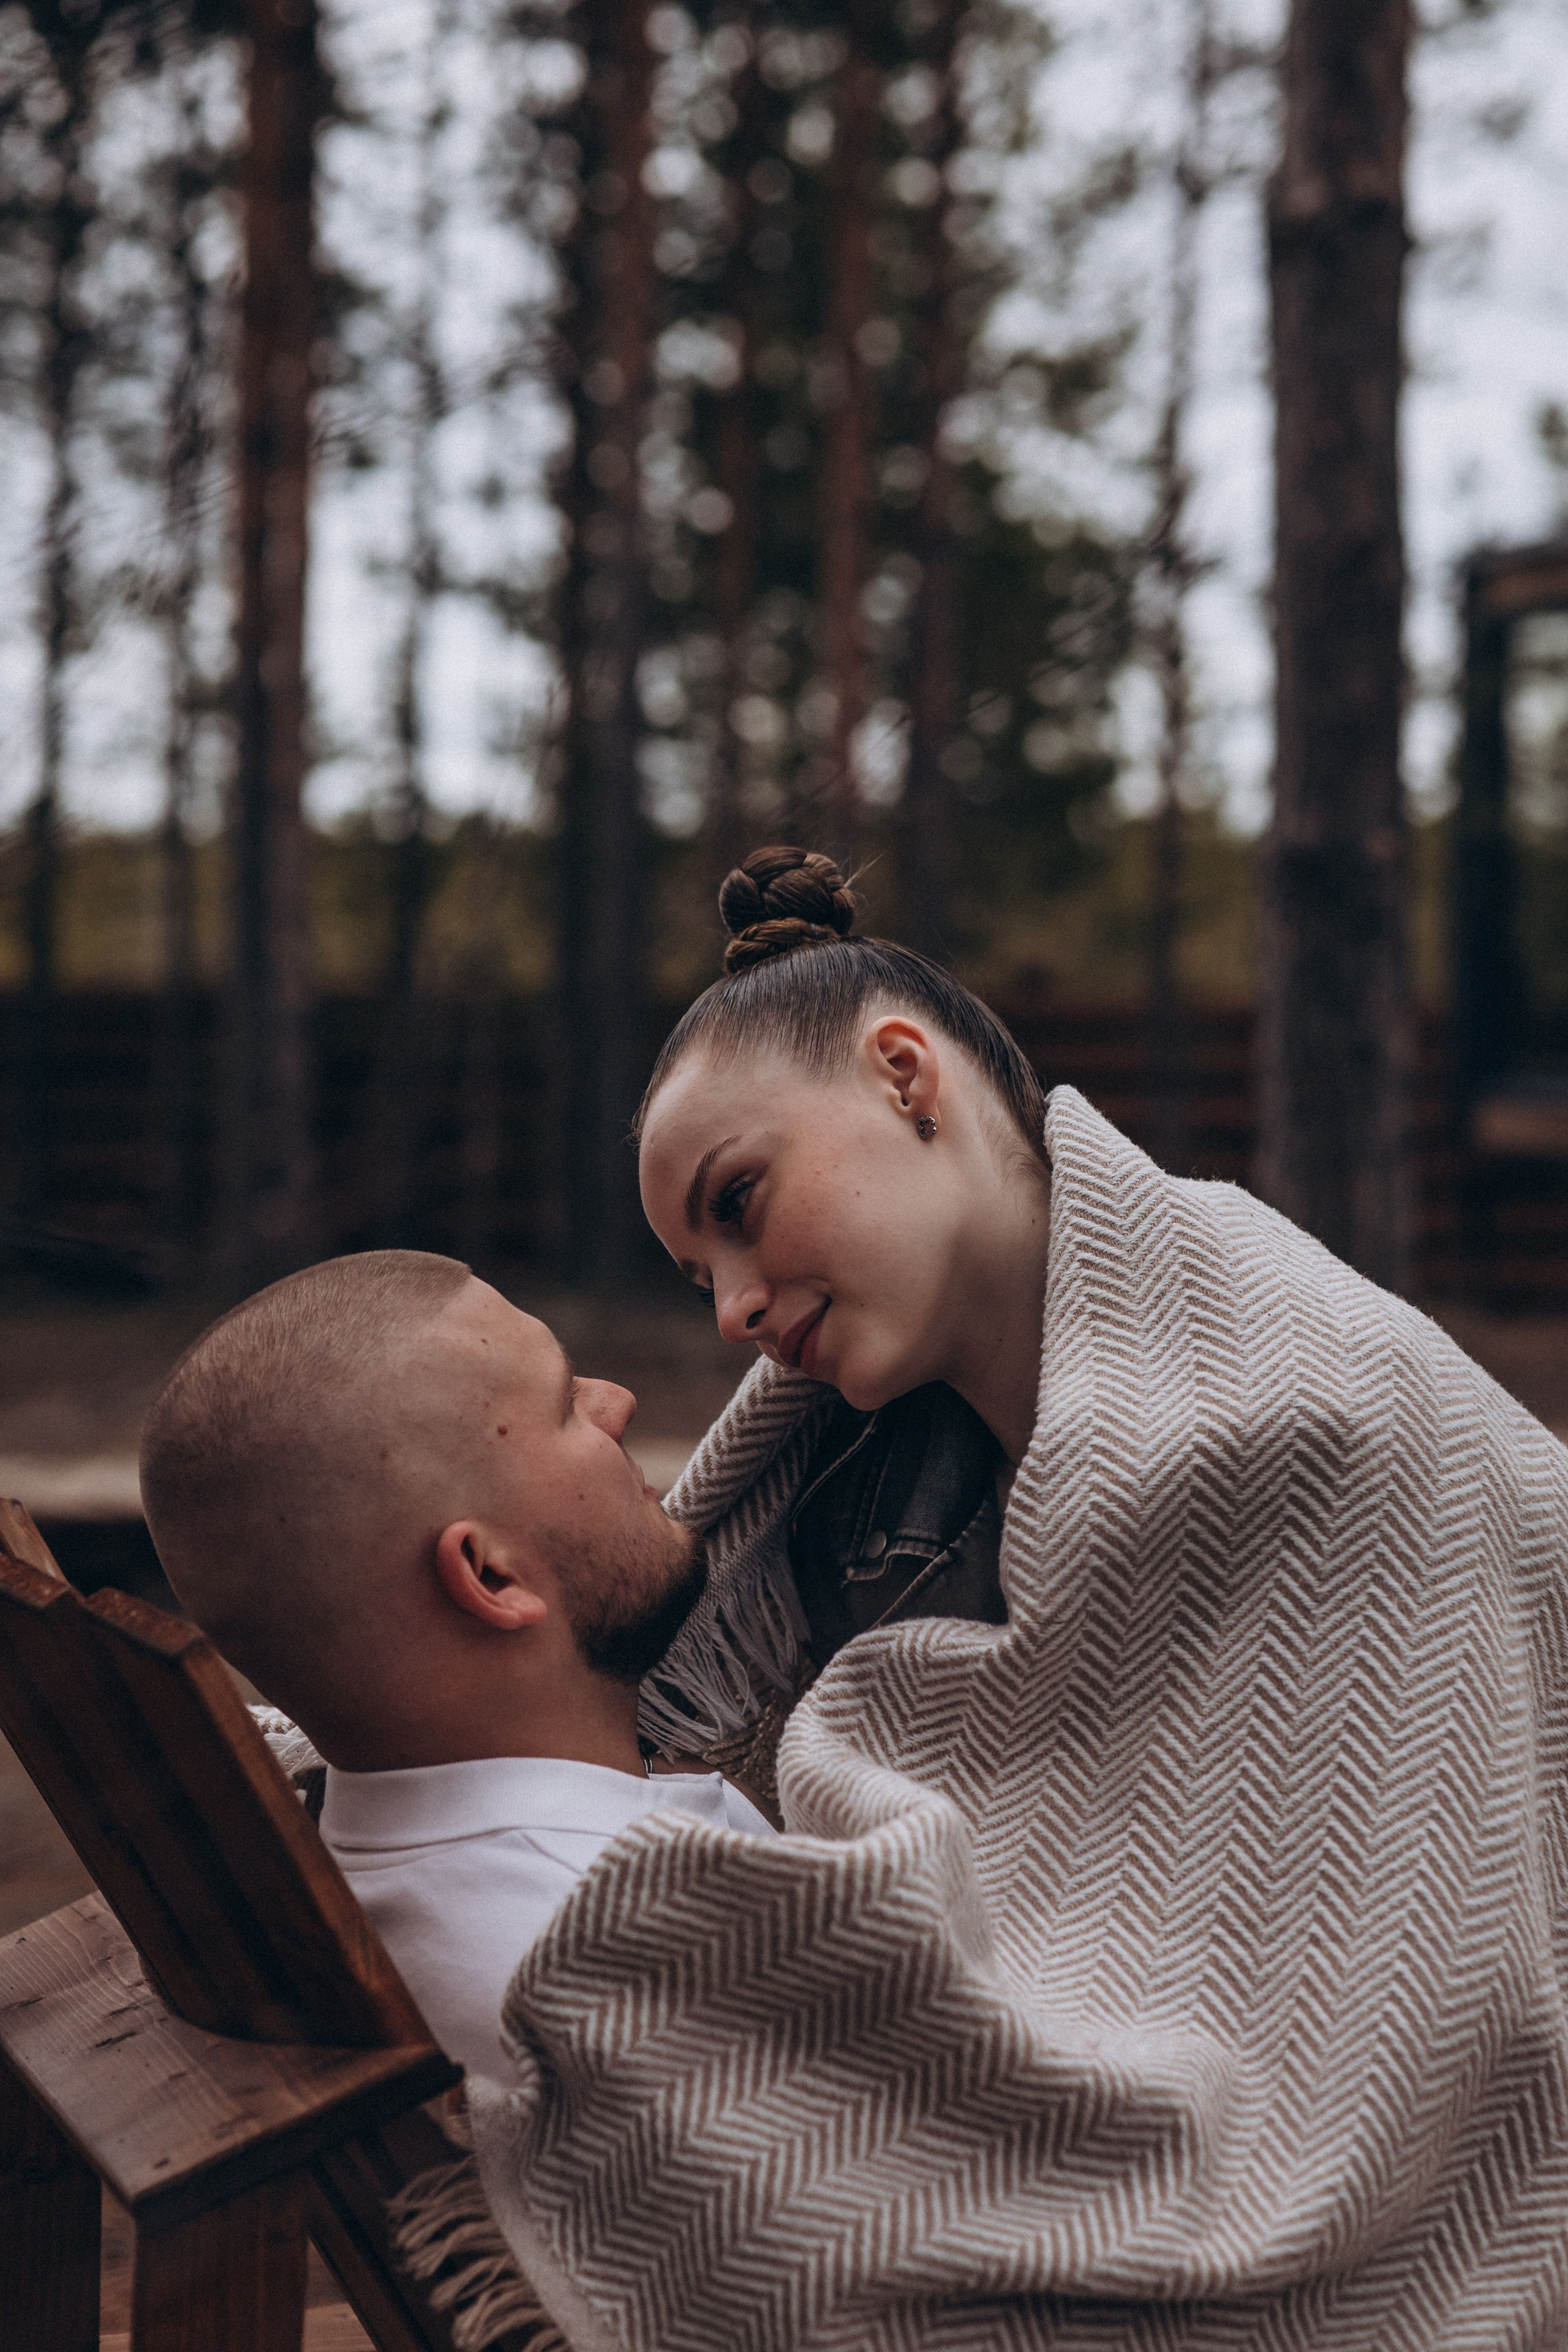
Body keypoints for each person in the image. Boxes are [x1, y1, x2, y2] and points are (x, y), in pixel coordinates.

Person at [428, 843, 1568, 2352]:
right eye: (698, 1269)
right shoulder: (886, 1461)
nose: (731, 1312)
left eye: (739, 1203)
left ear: (907, 1078)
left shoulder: (1306, 1422)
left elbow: (1361, 1999)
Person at [137, 1250, 775, 2084]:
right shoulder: (654, 1959)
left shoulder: (354, 1888)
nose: (616, 1402)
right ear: (490, 1576)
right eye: (564, 1404)